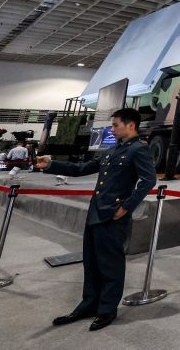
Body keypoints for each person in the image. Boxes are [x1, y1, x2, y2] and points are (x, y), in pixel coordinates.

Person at [35, 108, 156, 331]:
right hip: (96, 213)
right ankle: (89, 305)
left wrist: (125, 208)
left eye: (116, 125)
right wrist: (51, 164)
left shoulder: (139, 149)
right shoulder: (113, 150)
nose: (112, 129)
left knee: (110, 265)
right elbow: (83, 168)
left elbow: (148, 180)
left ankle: (107, 309)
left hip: (113, 215)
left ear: (131, 125)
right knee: (91, 263)